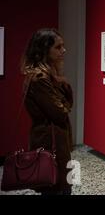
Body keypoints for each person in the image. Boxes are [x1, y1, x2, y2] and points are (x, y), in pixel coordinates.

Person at [21, 28, 73, 195]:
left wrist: (60, 84)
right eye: (58, 47)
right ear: (44, 50)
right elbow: (61, 113)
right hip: (51, 145)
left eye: (63, 46)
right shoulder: (40, 79)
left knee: (62, 185)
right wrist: (63, 85)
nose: (63, 50)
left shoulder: (48, 76)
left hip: (55, 143)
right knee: (55, 187)